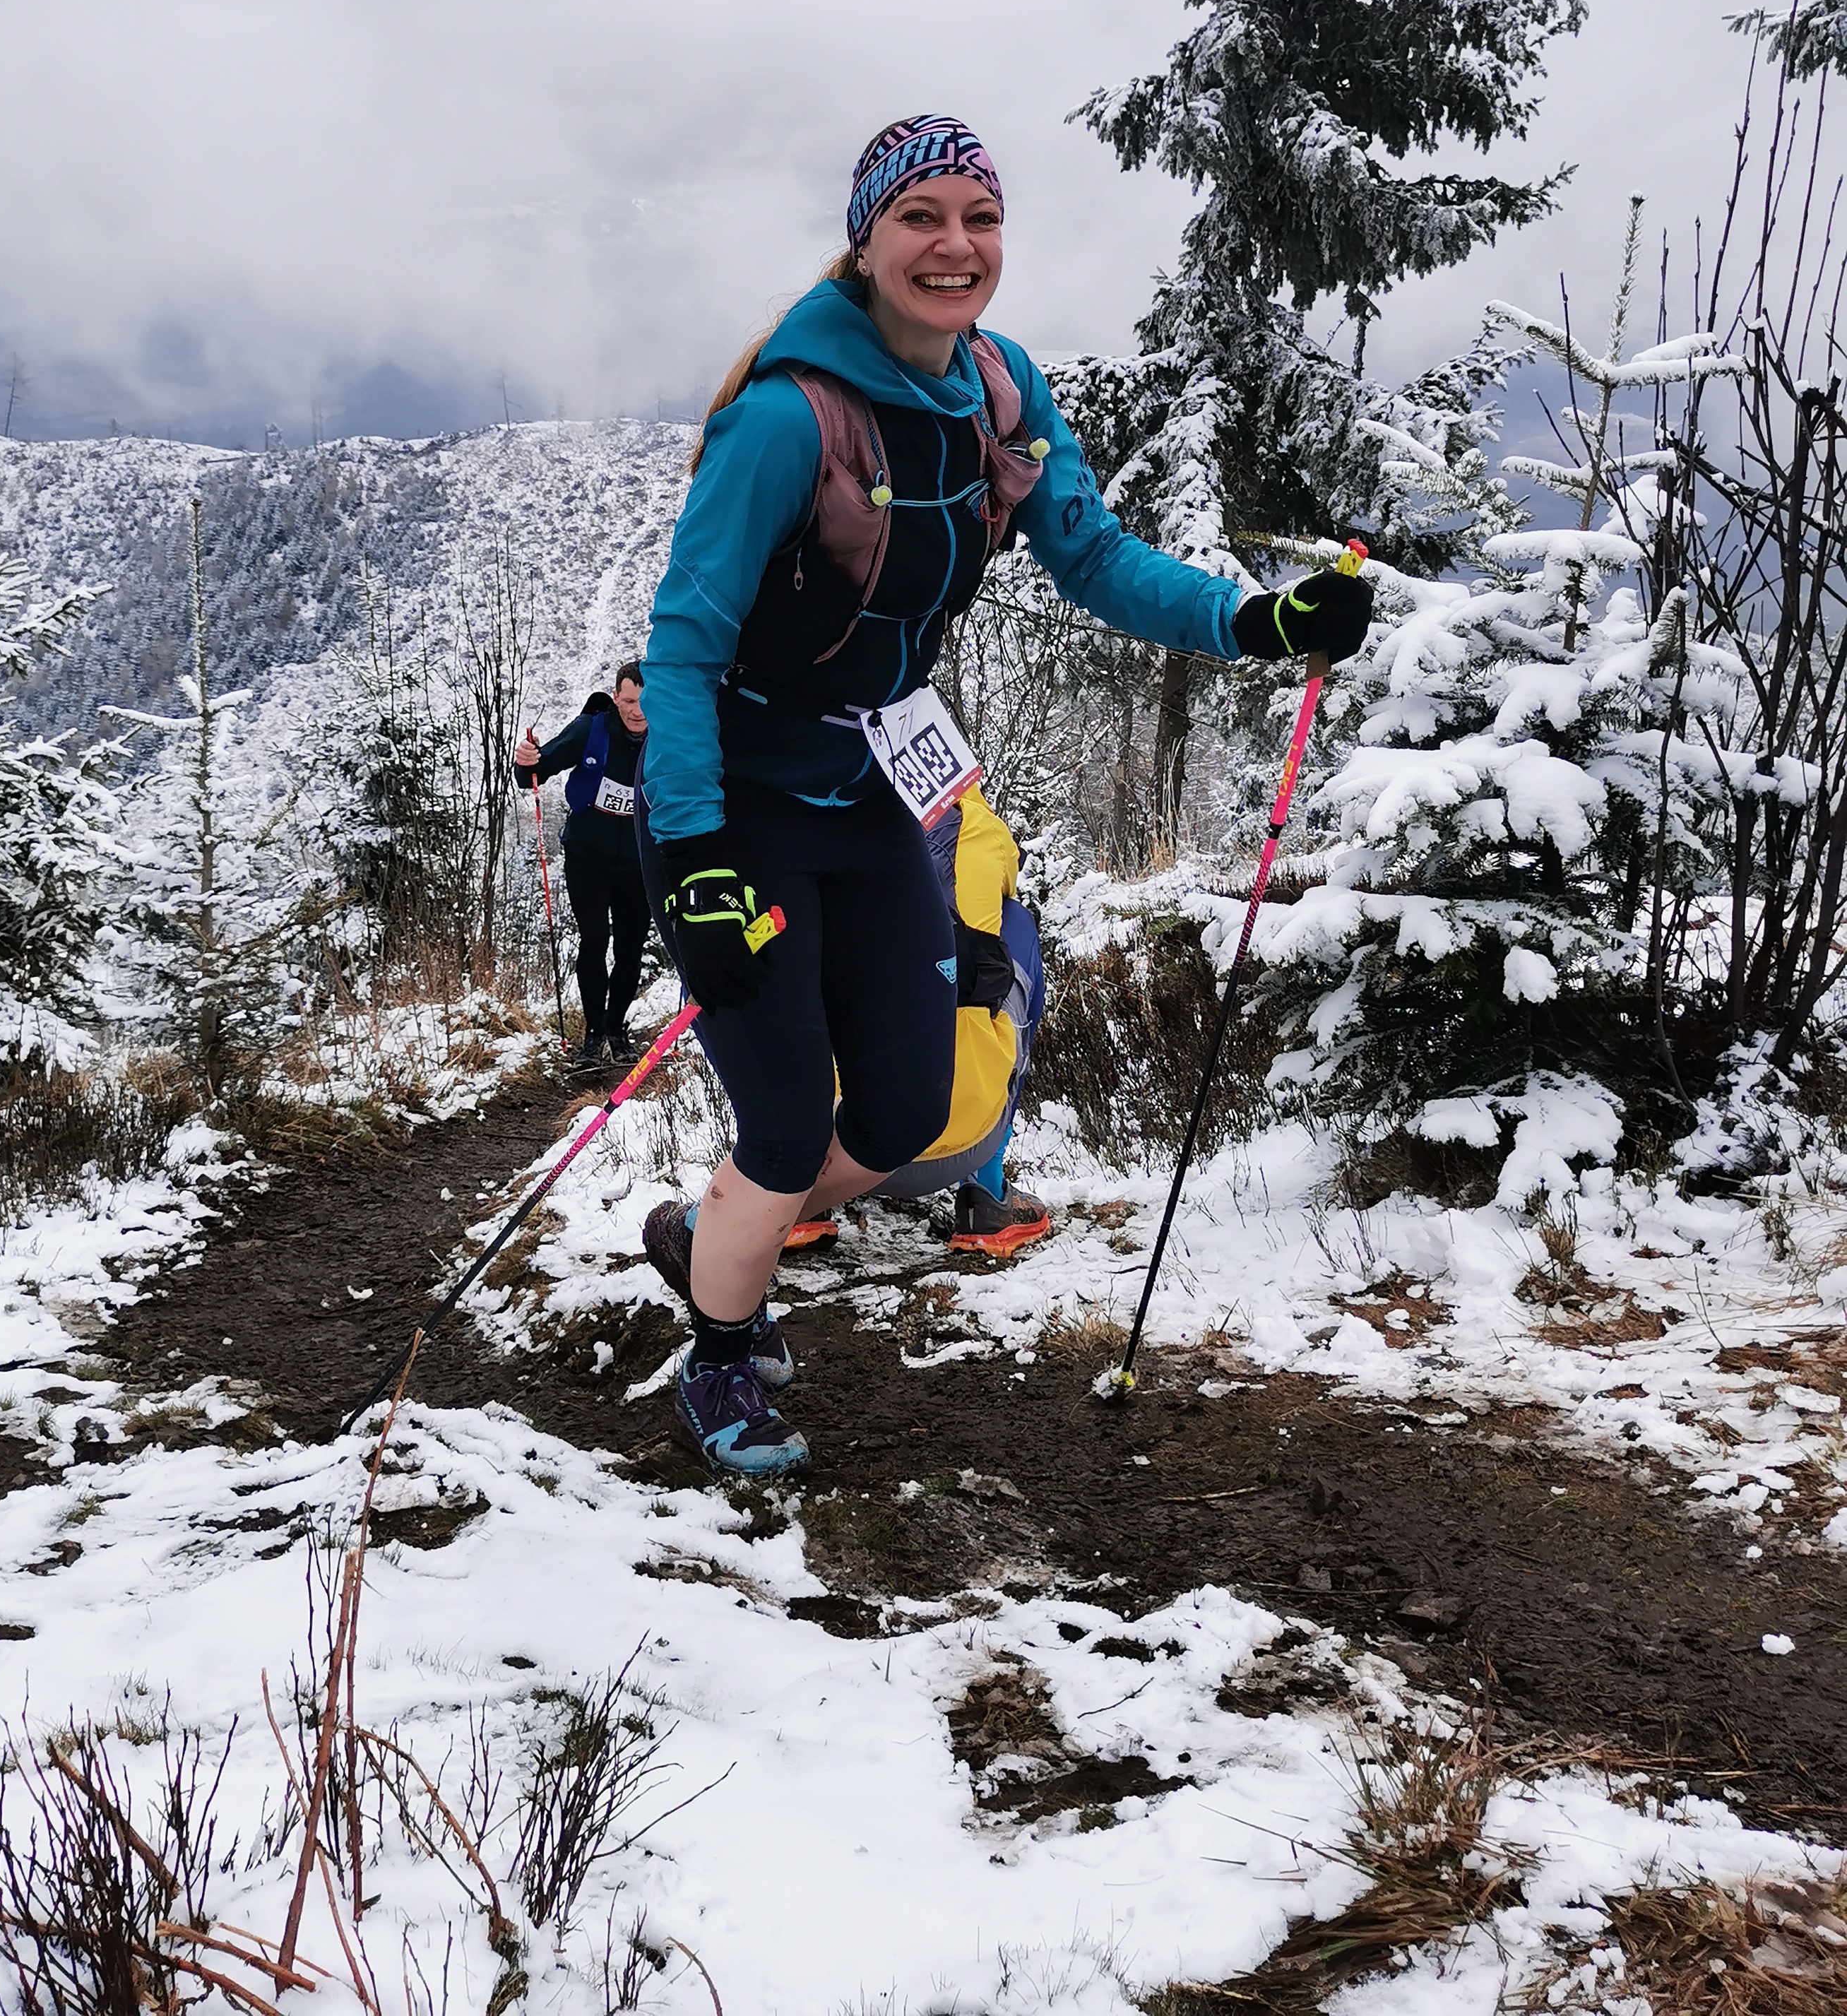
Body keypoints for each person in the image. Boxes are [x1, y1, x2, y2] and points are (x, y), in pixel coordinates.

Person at [634, 115, 1372, 1476]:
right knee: (792, 1122)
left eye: (980, 217)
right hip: (735, 808)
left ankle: (718, 1225)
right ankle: (724, 1354)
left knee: (914, 1110)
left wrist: (1259, 621)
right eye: (921, 216)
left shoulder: (998, 392)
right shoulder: (787, 417)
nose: (954, 244)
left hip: (866, 787)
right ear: (865, 236)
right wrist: (691, 853)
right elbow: (680, 646)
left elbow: (1091, 559)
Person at [782, 781, 1050, 1256]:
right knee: (1016, 929)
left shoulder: (819, 821)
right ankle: (986, 1197)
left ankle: (793, 1193)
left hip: (839, 1149)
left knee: (791, 961)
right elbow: (1004, 869)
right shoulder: (976, 824)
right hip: (961, 1141)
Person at [513, 662, 650, 1067]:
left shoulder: (666, 736)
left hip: (640, 862)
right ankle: (593, 1035)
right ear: (615, 699)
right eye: (628, 701)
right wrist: (526, 761)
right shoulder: (591, 729)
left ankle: (616, 1029)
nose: (637, 711)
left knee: (630, 949)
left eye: (644, 702)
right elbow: (534, 773)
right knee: (594, 940)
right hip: (587, 856)